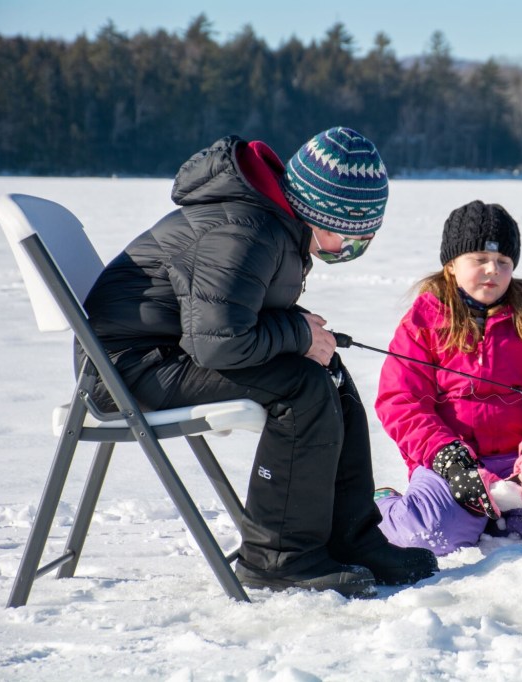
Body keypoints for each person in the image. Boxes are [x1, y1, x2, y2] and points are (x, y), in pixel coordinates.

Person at [81, 127, 438, 596]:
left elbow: (221, 317)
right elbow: (217, 342)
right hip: (126, 369)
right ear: (321, 214)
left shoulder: (270, 223)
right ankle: (278, 557)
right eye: (353, 233)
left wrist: (301, 332)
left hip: (166, 350)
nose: (357, 245)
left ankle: (350, 537)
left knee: (327, 372)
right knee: (302, 389)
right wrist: (295, 334)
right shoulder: (243, 230)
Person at [373, 200, 522, 555]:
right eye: (479, 259)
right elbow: (401, 403)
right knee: (427, 538)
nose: (492, 270)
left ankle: (509, 514)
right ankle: (385, 505)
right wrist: (448, 458)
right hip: (451, 465)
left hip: (518, 465)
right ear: (451, 265)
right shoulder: (421, 323)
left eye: (503, 262)